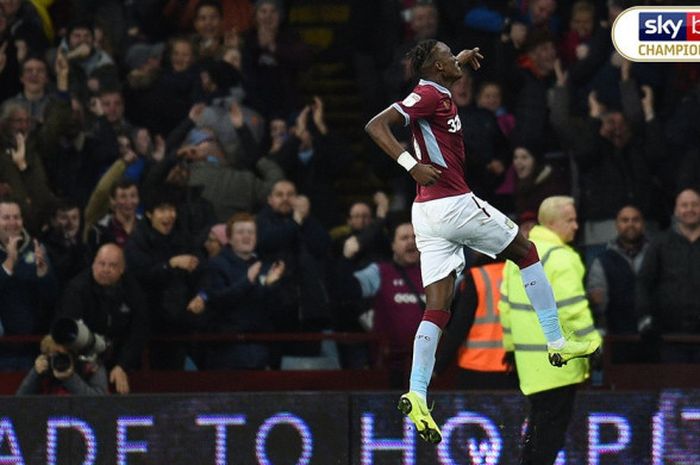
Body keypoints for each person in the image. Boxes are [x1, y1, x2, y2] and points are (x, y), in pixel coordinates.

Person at [364, 39, 599, 443]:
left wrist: (459, 61)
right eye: (447, 55)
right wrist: (411, 165)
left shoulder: (436, 85)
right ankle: (557, 343)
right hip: (453, 202)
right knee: (527, 254)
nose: (455, 59)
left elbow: (437, 75)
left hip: (427, 214)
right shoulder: (425, 94)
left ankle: (417, 393)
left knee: (438, 307)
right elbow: (375, 125)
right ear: (436, 68)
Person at [499, 196, 601, 465]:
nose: (576, 226)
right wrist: (592, 344)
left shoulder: (520, 254)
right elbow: (573, 309)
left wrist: (510, 347)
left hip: (529, 364)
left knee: (535, 435)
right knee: (549, 438)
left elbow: (505, 306)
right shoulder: (562, 258)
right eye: (570, 220)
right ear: (553, 223)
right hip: (559, 365)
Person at [335, 221, 422, 383]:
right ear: (393, 246)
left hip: (425, 368)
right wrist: (346, 258)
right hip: (388, 368)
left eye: (415, 237)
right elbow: (346, 290)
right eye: (404, 238)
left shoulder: (434, 274)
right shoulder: (379, 272)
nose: (411, 242)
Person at [59, 244, 148, 394]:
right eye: (102, 264)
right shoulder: (77, 289)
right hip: (85, 359)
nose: (106, 269)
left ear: (122, 269)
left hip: (121, 357)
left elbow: (140, 329)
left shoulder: (132, 289)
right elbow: (68, 328)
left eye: (112, 265)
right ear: (93, 264)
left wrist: (122, 365)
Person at [435, 255, 518, 390]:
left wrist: (438, 367)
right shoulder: (519, 274)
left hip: (475, 367)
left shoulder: (478, 276)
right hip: (513, 366)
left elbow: (460, 326)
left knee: (474, 411)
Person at [636, 188, 700, 363]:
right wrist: (645, 317)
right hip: (669, 337)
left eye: (695, 205)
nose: (690, 209)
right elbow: (643, 282)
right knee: (673, 389)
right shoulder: (659, 243)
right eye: (684, 205)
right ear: (676, 210)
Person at [15, 334, 108, 395]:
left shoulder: (90, 367)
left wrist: (70, 378)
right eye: (55, 356)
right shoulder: (45, 369)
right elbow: (19, 402)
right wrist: (35, 373)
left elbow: (99, 402)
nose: (59, 360)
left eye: (63, 355)